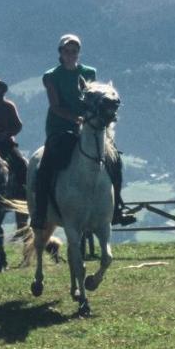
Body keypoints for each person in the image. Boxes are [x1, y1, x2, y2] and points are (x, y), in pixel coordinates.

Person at [30, 34, 135, 231]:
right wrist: (75, 119)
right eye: (67, 51)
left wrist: (93, 119)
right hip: (60, 128)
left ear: (78, 52)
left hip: (89, 126)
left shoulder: (89, 72)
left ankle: (117, 207)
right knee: (46, 165)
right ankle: (40, 212)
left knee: (114, 160)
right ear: (61, 53)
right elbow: (55, 106)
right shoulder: (51, 76)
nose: (71, 54)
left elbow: (94, 100)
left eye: (74, 51)